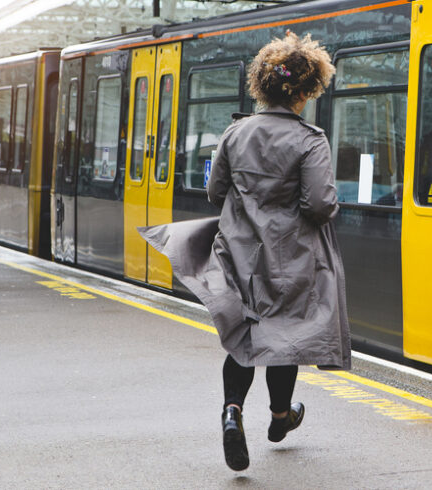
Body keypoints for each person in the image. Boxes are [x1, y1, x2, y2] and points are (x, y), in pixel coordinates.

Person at [139, 32, 349, 472]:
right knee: (286, 337)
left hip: (238, 254)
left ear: (262, 85)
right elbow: (319, 204)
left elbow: (216, 192)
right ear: (307, 90)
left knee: (246, 338)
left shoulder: (235, 132)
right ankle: (279, 416)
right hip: (291, 258)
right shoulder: (311, 140)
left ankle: (232, 412)